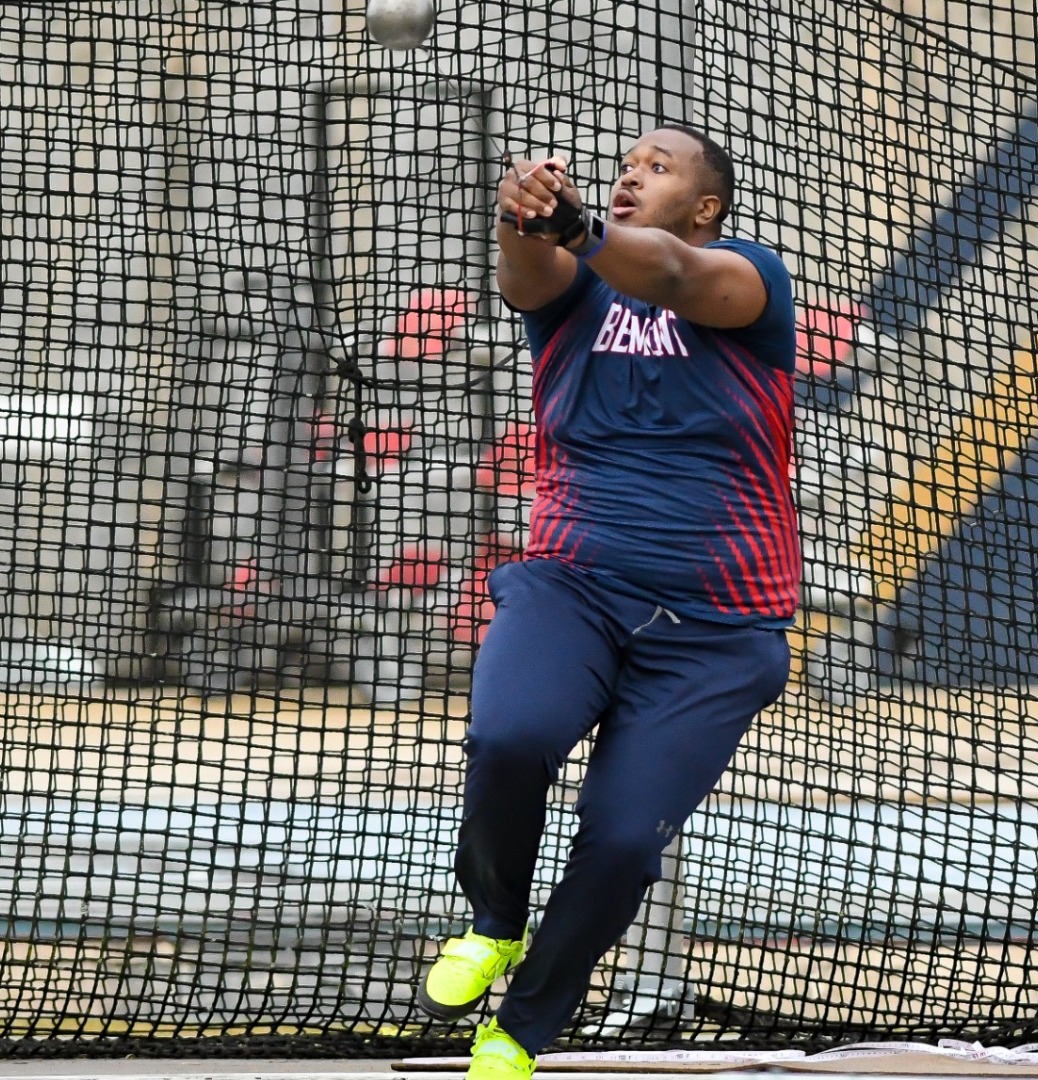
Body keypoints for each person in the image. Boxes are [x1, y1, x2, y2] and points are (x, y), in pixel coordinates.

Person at [415, 124, 800, 1080]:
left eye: (656, 170)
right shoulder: (575, 287)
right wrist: (522, 217)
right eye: (625, 167)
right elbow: (525, 276)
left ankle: (524, 1027)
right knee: (509, 737)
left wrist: (580, 222)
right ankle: (496, 922)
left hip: (717, 631)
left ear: (706, 208)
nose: (633, 174)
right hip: (573, 585)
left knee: (623, 839)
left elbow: (671, 276)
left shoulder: (746, 277)